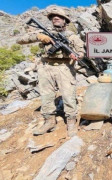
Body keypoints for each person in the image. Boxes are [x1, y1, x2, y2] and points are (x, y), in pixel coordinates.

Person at [17, 6, 85, 137]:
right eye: (53, 17)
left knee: (68, 94)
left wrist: (77, 56)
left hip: (64, 67)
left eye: (59, 17)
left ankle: (71, 121)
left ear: (65, 20)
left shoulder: (72, 37)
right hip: (46, 66)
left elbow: (81, 52)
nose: (56, 19)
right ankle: (49, 121)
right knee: (46, 95)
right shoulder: (44, 32)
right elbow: (20, 40)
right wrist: (38, 36)